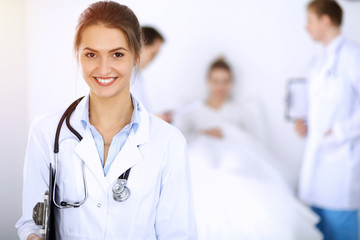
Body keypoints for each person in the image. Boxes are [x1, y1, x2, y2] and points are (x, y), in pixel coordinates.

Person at [15, 2, 197, 239]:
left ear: (136, 56)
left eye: (117, 54)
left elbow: (178, 234)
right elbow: (32, 221)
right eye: (91, 54)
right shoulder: (46, 133)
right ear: (78, 55)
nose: (103, 68)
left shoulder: (169, 142)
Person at [174, 57, 322, 240]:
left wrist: (228, 133)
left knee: (239, 169)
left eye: (225, 81)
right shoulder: (193, 110)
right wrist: (204, 132)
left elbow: (251, 144)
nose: (220, 87)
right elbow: (181, 140)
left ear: (231, 83)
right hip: (203, 156)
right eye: (215, 81)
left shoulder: (239, 111)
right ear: (208, 82)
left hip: (236, 156)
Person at [295, 1, 360, 239]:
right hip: (317, 161)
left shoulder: (353, 56)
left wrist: (339, 133)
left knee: (341, 229)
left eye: (310, 20)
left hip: (341, 163)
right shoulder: (318, 62)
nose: (306, 27)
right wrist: (307, 125)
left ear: (326, 20)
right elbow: (322, 109)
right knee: (318, 229)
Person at [130, 26, 164, 113]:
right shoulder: (125, 76)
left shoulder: (138, 77)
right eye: (153, 54)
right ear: (141, 45)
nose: (152, 60)